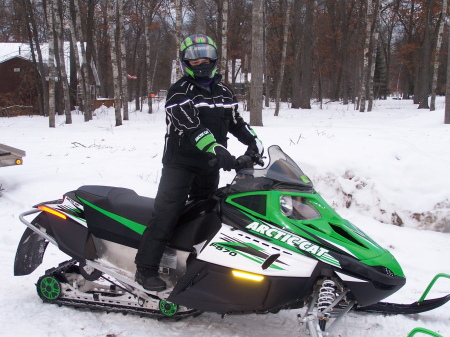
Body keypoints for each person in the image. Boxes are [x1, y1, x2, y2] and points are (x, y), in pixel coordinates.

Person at [134, 34, 264, 291]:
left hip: (210, 165)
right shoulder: (179, 91)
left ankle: (196, 263)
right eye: (194, 57)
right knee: (167, 213)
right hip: (180, 165)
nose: (201, 61)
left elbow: (236, 122)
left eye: (205, 55)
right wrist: (215, 147)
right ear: (185, 62)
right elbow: (191, 126)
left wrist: (254, 143)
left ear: (214, 58)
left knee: (207, 213)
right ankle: (145, 268)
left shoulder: (224, 91)